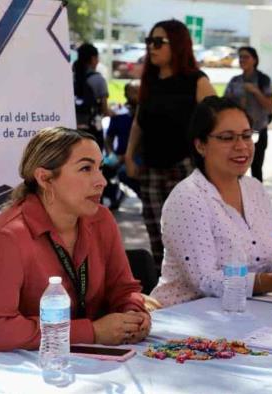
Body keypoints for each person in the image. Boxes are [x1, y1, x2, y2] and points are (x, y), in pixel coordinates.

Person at [0, 127, 150, 360]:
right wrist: (92, 332)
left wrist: (134, 314)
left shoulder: (101, 219)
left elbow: (124, 289)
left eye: (99, 168)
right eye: (85, 168)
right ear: (44, 178)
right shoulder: (6, 236)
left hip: (76, 361)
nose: (101, 181)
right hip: (2, 371)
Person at [150, 97, 272, 307]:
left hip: (246, 311)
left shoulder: (255, 189)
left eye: (247, 136)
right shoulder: (188, 198)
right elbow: (204, 280)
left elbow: (271, 255)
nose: (241, 146)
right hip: (185, 316)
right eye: (227, 138)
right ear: (201, 145)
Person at [125, 20, 217, 270]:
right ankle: (164, 291)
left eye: (158, 42)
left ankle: (196, 290)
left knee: (187, 238)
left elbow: (218, 123)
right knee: (158, 237)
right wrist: (129, 155)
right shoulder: (151, 80)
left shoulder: (197, 81)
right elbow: (139, 122)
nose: (151, 48)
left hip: (184, 171)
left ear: (177, 45)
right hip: (151, 171)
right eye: (149, 42)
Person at [223, 46, 272, 182]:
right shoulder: (235, 81)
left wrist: (255, 91)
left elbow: (270, 107)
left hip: (258, 130)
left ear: (255, 60)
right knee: (235, 169)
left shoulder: (263, 80)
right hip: (236, 133)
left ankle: (258, 200)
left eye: (246, 57)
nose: (242, 60)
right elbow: (223, 104)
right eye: (240, 57)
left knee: (256, 169)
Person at [103, 80, 141, 210]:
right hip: (119, 155)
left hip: (138, 156)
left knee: (124, 173)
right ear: (126, 94)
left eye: (138, 91)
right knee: (100, 172)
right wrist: (111, 153)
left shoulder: (145, 114)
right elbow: (108, 138)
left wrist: (127, 156)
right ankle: (114, 194)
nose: (136, 95)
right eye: (133, 92)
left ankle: (144, 197)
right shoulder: (119, 114)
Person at [73, 43, 113, 148]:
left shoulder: (72, 78)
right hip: (92, 131)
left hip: (72, 130)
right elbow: (105, 110)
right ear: (93, 58)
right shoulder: (98, 80)